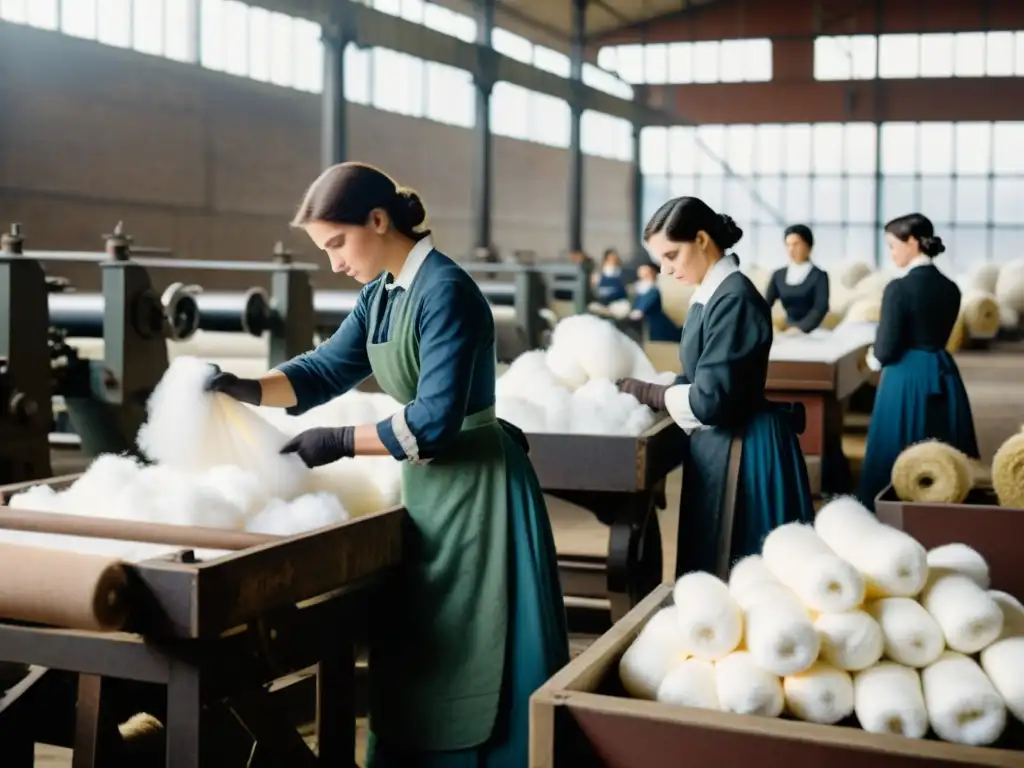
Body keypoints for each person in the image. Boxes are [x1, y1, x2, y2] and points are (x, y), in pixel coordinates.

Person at [206, 162, 569, 767]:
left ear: (378, 221)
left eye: (337, 244)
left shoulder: (445, 291)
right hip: (429, 485)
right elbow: (325, 369)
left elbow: (432, 423)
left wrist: (340, 440)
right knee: (430, 642)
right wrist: (246, 387)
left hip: (479, 488)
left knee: (482, 638)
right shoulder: (382, 294)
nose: (334, 263)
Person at [616, 197, 814, 577]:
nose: (665, 269)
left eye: (672, 255)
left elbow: (710, 400)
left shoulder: (734, 299)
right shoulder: (710, 294)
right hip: (723, 444)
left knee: (744, 573)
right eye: (660, 259)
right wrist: (659, 386)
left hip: (747, 451)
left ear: (703, 239)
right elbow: (705, 374)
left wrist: (651, 393)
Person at [858, 213, 979, 511]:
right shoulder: (951, 288)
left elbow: (886, 348)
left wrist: (871, 360)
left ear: (911, 242)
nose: (891, 253)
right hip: (942, 372)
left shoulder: (897, 289)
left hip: (905, 376)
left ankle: (886, 512)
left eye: (892, 245)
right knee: (941, 458)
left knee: (895, 451)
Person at [764, 224, 830, 334]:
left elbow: (820, 308)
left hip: (812, 332)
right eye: (788, 245)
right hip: (786, 330)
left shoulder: (819, 276)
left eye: (796, 244)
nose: (791, 249)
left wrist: (800, 329)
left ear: (808, 246)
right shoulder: (778, 275)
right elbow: (764, 305)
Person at [629, 263, 682, 343]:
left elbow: (643, 308)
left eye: (647, 274)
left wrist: (637, 312)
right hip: (643, 325)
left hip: (656, 324)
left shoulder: (653, 291)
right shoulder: (639, 290)